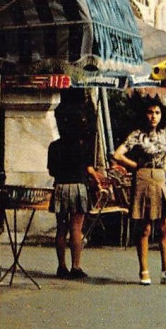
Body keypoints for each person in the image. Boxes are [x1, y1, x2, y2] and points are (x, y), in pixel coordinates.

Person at [112, 97, 166, 285]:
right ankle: (144, 270)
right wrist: (134, 165)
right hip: (143, 178)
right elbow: (117, 154)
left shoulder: (163, 133)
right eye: (150, 112)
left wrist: (164, 161)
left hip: (160, 178)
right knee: (145, 227)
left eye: (157, 113)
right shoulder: (137, 134)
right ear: (145, 114)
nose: (154, 116)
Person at [47, 99, 96, 280]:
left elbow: (51, 170)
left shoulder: (54, 146)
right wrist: (98, 181)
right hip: (78, 187)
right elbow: (89, 170)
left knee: (61, 228)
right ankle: (76, 266)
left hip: (60, 186)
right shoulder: (82, 146)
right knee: (76, 228)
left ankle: (61, 266)